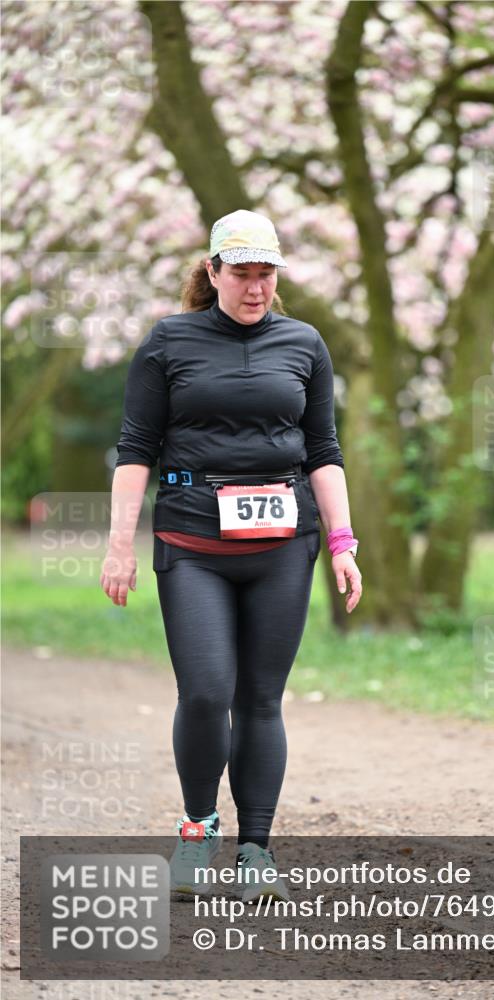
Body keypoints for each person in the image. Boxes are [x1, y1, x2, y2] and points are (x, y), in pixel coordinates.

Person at [100, 209, 362, 900]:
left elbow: (323, 452)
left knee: (260, 700)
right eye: (241, 273)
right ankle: (196, 831)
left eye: (265, 273)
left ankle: (256, 854)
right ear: (212, 271)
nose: (254, 287)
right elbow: (135, 450)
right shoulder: (168, 342)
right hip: (192, 542)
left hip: (283, 545)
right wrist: (118, 546)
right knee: (208, 690)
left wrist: (342, 542)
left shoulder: (304, 343)